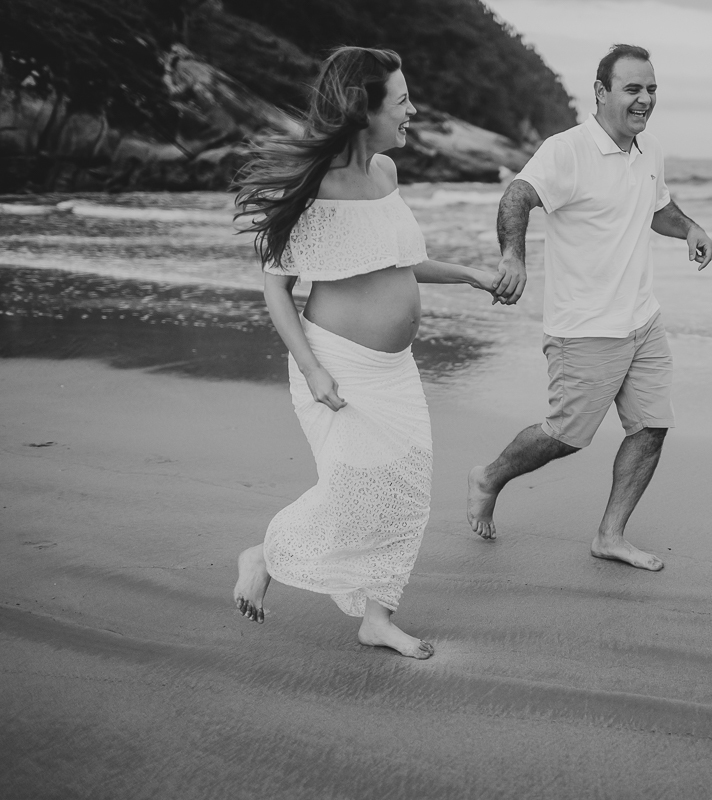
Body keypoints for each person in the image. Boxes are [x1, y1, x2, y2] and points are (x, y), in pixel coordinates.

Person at [231, 47, 500, 659]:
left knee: (405, 493)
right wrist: (312, 368)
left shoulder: (386, 175)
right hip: (337, 365)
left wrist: (470, 275)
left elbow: (400, 262)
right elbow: (277, 285)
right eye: (402, 100)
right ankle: (264, 555)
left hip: (394, 371)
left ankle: (376, 618)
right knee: (353, 488)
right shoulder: (313, 187)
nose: (413, 110)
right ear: (364, 109)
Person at [467, 44, 712, 571]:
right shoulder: (567, 150)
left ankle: (610, 535)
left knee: (651, 427)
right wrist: (514, 257)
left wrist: (688, 227)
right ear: (601, 93)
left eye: (650, 89)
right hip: (584, 326)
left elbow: (657, 205)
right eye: (633, 88)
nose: (645, 99)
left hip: (642, 319)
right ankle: (489, 476)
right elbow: (517, 196)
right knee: (566, 436)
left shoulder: (649, 151)